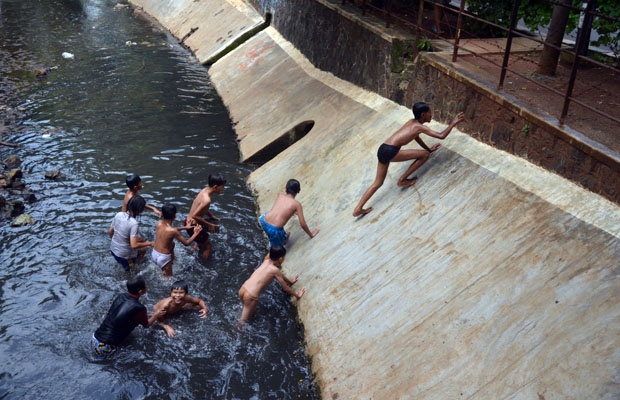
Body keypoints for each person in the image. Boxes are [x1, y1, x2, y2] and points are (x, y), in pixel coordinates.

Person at [352, 102, 465, 217]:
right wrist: (453, 123)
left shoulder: (412, 123)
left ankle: (358, 209)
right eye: (429, 113)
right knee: (424, 155)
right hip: (391, 151)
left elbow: (416, 138)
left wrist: (429, 149)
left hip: (383, 149)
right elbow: (441, 136)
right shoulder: (419, 127)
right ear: (423, 115)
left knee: (377, 183)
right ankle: (402, 180)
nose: (431, 115)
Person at [91, 276, 166, 359]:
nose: (147, 287)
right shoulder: (139, 308)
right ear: (141, 291)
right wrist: (156, 315)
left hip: (95, 339)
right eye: (146, 286)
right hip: (105, 346)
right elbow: (147, 325)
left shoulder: (121, 296)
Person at [238, 245, 305, 326]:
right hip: (251, 296)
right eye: (284, 257)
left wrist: (290, 281)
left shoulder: (267, 258)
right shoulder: (274, 270)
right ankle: (236, 330)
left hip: (243, 288)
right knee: (243, 322)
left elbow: (279, 274)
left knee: (245, 309)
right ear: (280, 259)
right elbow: (285, 288)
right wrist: (297, 295)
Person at [259, 179, 319, 248]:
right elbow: (303, 224)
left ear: (286, 189)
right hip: (274, 230)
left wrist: (292, 211)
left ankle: (283, 237)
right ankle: (279, 243)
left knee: (277, 218)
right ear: (299, 191)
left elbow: (281, 208)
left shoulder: (280, 195)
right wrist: (311, 234)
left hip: (263, 220)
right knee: (276, 250)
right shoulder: (296, 204)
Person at [152, 203, 203, 276]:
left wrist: (185, 227)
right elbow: (187, 243)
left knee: (172, 244)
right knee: (168, 280)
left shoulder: (159, 223)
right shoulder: (173, 231)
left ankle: (171, 262)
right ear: (175, 215)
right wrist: (196, 233)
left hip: (154, 253)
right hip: (163, 258)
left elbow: (168, 230)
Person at [186, 174, 226, 259]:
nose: (222, 189)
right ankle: (204, 264)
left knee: (202, 240)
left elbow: (201, 207)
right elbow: (195, 215)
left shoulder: (204, 190)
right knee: (208, 246)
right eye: (222, 187)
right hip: (193, 226)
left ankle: (193, 251)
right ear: (215, 187)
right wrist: (209, 225)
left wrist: (211, 215)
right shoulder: (207, 200)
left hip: (187, 222)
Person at [109, 195, 154, 271]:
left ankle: (134, 262)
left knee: (143, 249)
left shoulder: (119, 214)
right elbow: (134, 245)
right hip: (124, 256)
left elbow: (110, 231)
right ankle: (131, 268)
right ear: (138, 210)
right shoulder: (134, 223)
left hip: (113, 250)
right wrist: (149, 243)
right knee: (131, 272)